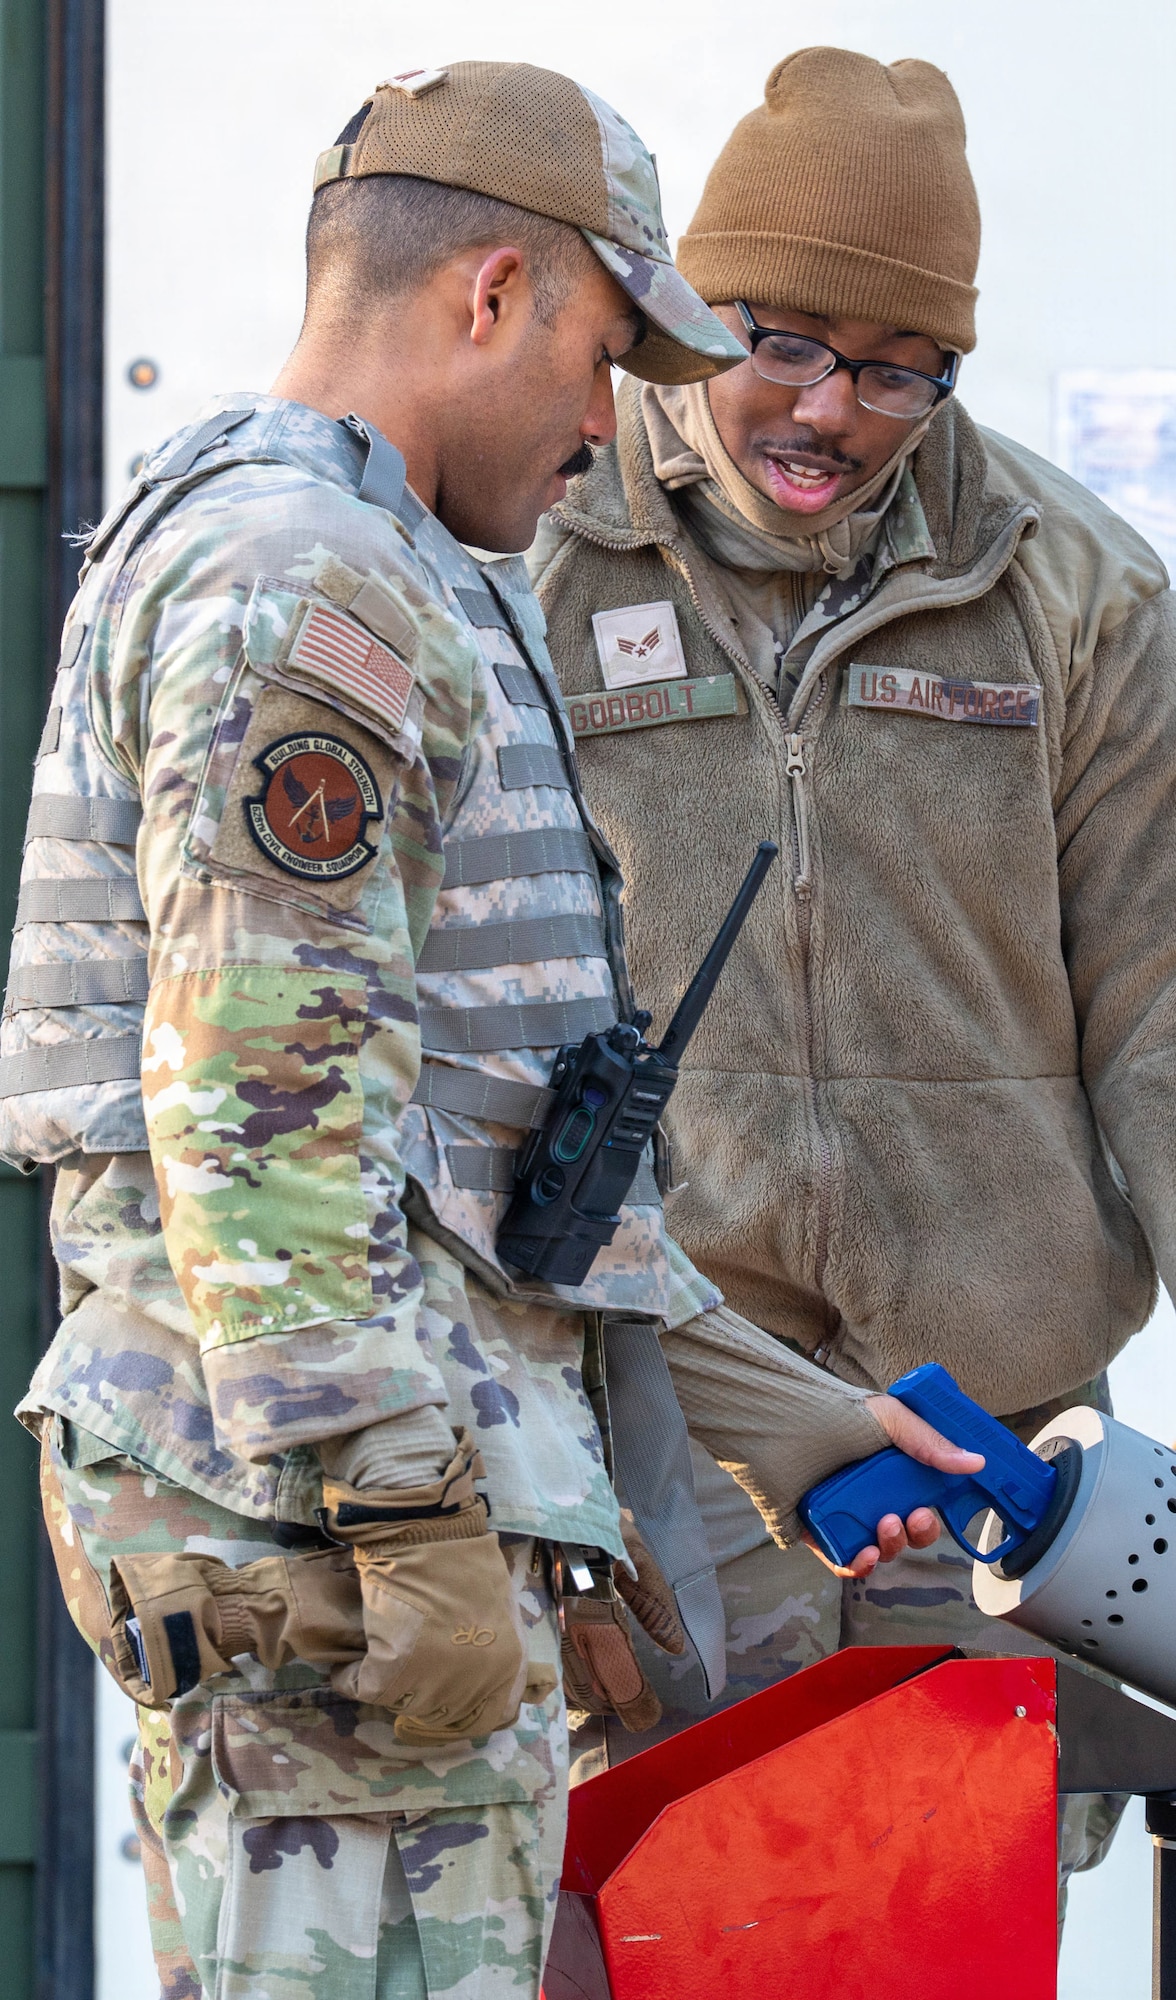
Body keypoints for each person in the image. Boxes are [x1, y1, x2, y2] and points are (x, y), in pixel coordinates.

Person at [8, 62, 969, 2000]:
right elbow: (261, 1114)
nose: (614, 426)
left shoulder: (382, 559)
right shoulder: (308, 581)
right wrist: (405, 1514)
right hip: (341, 1548)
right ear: (493, 295)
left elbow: (478, 1139)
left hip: (387, 1517)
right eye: (612, 357)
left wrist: (772, 1406)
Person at [533, 45, 1164, 1875]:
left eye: (899, 370)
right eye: (779, 342)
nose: (830, 408)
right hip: (676, 1401)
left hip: (1000, 1450)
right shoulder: (540, 551)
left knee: (946, 1923)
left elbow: (1168, 1009)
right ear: (691, 307)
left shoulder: (1079, 593)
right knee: (678, 1912)